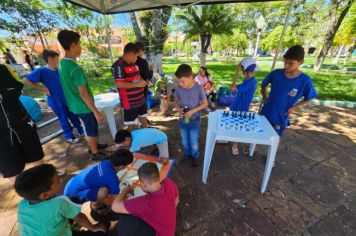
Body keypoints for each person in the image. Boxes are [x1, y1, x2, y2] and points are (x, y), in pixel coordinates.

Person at [57, 29, 109, 161]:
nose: (81, 47)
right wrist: (96, 111)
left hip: (75, 104)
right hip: (83, 106)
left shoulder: (62, 63)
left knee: (91, 127)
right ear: (73, 45)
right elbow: (84, 93)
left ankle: (95, 146)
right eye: (79, 43)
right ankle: (95, 153)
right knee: (90, 129)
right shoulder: (76, 69)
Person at [15, 164, 107, 236]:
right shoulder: (60, 203)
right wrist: (93, 228)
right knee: (102, 229)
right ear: (44, 195)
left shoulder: (22, 204)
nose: (61, 181)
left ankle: (70, 226)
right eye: (58, 181)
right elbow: (79, 218)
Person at [24, 49, 84, 144]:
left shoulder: (59, 69)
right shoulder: (42, 70)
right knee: (63, 118)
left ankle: (81, 131)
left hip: (67, 98)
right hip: (56, 100)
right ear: (50, 59)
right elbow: (26, 80)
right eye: (57, 59)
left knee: (74, 115)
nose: (58, 60)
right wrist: (43, 89)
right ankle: (69, 136)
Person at [0, 64, 44, 182]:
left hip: (20, 120)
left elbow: (17, 88)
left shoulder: (3, 69)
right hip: (3, 133)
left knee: (35, 153)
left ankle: (46, 180)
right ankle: (28, 194)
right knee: (11, 167)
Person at [260, 45, 317, 136]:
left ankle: (273, 150)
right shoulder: (276, 73)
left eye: (290, 63)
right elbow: (264, 84)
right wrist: (264, 97)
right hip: (267, 111)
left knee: (275, 138)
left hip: (281, 115)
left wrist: (294, 107)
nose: (286, 65)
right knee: (259, 133)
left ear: (301, 62)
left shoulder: (305, 81)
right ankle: (252, 149)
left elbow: (309, 97)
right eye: (285, 62)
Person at [64, 149, 133, 221]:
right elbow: (116, 198)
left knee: (106, 186)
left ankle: (95, 201)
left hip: (70, 187)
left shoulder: (105, 162)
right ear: (121, 166)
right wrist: (127, 190)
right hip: (73, 197)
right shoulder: (113, 179)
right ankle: (96, 206)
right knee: (104, 192)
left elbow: (104, 176)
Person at [112, 162, 179, 236]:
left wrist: (126, 190)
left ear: (143, 184)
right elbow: (176, 200)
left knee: (125, 222)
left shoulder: (145, 203)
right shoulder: (168, 182)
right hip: (169, 230)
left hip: (159, 233)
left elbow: (115, 207)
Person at [174, 64, 208, 167]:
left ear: (190, 77)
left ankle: (195, 155)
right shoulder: (179, 88)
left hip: (194, 119)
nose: (180, 83)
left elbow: (205, 103)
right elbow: (175, 100)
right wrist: (178, 109)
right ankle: (187, 153)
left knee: (193, 140)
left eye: (182, 81)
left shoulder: (198, 88)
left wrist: (193, 111)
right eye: (179, 81)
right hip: (183, 119)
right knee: (184, 140)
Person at [111, 43, 147, 131]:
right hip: (129, 103)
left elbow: (138, 78)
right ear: (130, 54)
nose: (137, 59)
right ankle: (131, 142)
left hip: (140, 100)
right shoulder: (118, 65)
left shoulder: (134, 65)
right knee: (131, 125)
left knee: (143, 119)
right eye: (136, 56)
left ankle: (147, 136)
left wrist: (144, 82)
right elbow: (119, 84)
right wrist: (138, 84)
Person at [229, 58, 259, 155]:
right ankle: (231, 139)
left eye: (241, 70)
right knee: (234, 124)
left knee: (238, 127)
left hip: (241, 108)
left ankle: (235, 145)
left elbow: (232, 88)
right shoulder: (247, 80)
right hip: (236, 106)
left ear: (243, 71)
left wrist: (236, 72)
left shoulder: (252, 82)